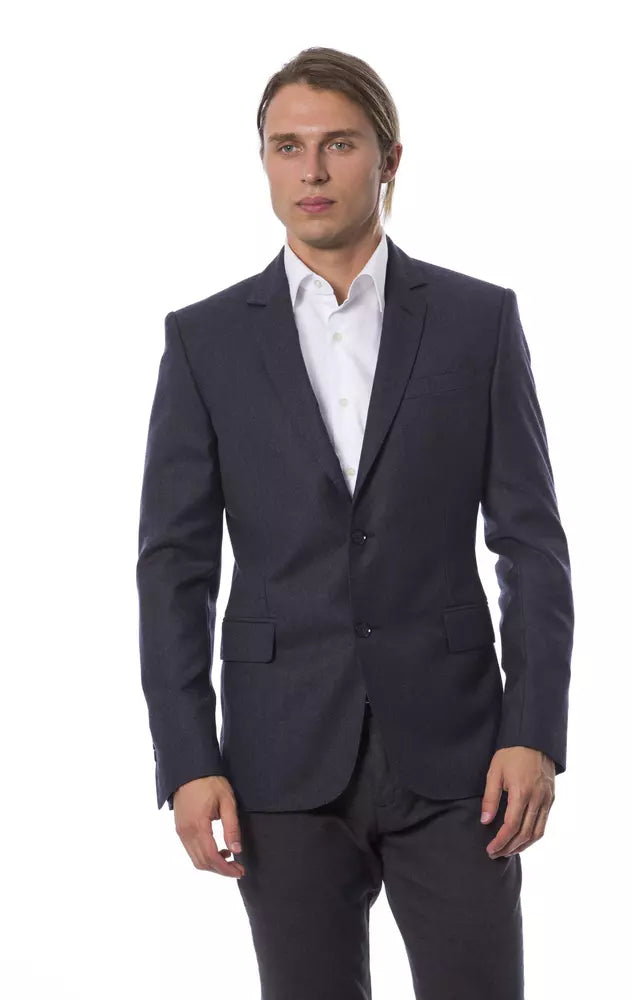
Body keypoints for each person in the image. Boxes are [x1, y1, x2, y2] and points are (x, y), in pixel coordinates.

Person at [136, 45, 574, 1000]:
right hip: (279, 755)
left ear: (388, 159)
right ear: (262, 162)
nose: (312, 170)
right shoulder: (205, 339)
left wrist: (534, 731)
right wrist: (187, 758)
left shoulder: (476, 321)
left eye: (338, 144)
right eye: (286, 147)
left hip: (461, 756)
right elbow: (173, 566)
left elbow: (531, 545)